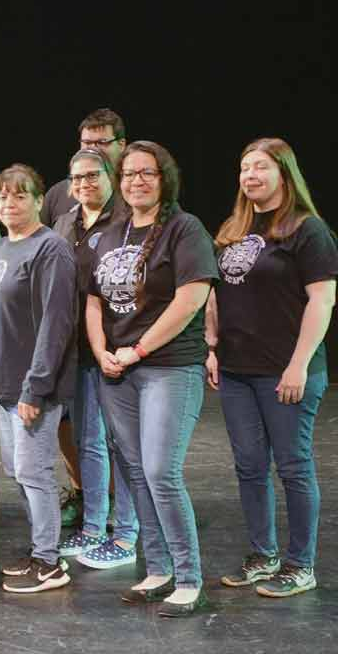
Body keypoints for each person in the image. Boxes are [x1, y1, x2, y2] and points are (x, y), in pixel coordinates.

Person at [85, 141, 217, 617]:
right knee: (136, 473)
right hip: (116, 370)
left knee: (161, 472)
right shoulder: (110, 233)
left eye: (147, 173)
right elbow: (94, 299)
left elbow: (191, 299)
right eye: (128, 174)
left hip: (168, 367)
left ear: (165, 179)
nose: (136, 181)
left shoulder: (185, 229)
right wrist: (101, 350)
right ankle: (158, 570)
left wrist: (138, 349)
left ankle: (188, 579)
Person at [208, 138, 336, 598]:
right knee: (248, 465)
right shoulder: (234, 228)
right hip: (238, 370)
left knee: (294, 467)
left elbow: (323, 300)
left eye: (260, 167)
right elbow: (217, 292)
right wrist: (211, 345)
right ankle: (264, 556)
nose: (250, 176)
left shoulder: (307, 229)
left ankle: (301, 565)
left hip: (286, 369)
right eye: (244, 168)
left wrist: (299, 364)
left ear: (284, 173)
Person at [0, 164, 77, 593]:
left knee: (35, 471)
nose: (9, 204)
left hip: (31, 386)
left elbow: (55, 324)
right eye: (2, 196)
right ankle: (39, 549)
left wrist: (35, 387)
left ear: (39, 201)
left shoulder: (49, 249)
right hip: (3, 383)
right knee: (18, 470)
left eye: (20, 195)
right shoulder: (0, 247)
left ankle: (50, 562)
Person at [51, 150, 141, 569]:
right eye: (76, 177)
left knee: (122, 443)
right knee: (88, 442)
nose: (84, 183)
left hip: (118, 348)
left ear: (111, 177)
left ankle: (125, 534)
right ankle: (92, 528)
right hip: (79, 350)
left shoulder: (126, 221)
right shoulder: (65, 222)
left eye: (92, 176)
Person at [41, 108, 128, 227]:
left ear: (121, 145)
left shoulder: (133, 189)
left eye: (102, 142)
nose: (93, 148)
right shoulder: (58, 194)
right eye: (87, 143)